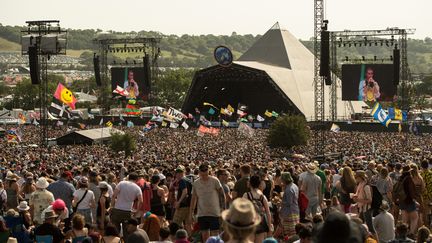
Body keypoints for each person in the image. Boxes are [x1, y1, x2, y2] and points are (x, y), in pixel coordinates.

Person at [190, 163, 225, 242]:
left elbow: (222, 194)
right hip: (202, 213)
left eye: (206, 175)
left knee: (215, 236)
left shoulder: (214, 180)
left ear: (208, 172)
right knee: (205, 236)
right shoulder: (196, 183)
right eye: (202, 175)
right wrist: (191, 213)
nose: (204, 177)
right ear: (199, 173)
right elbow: (193, 198)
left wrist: (223, 208)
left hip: (214, 213)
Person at [242, 175, 272, 243]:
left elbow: (241, 210)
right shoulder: (262, 196)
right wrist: (269, 226)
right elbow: (268, 212)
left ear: (250, 183)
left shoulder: (246, 195)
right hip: (261, 223)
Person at [352, 170, 375, 237]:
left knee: (370, 227)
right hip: (362, 208)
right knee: (360, 225)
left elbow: (369, 200)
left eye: (356, 177)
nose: (355, 178)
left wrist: (358, 199)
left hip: (367, 208)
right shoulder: (360, 184)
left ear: (360, 177)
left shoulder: (366, 186)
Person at [278, 172, 299, 239]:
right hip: (294, 210)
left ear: (284, 180)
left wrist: (280, 202)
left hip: (289, 213)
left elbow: (288, 203)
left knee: (290, 232)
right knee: (294, 230)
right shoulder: (294, 186)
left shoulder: (289, 189)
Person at [173, 165, 193, 233]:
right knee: (188, 224)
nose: (177, 174)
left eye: (179, 172)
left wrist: (178, 202)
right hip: (189, 205)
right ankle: (191, 238)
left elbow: (185, 192)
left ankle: (176, 239)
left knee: (175, 224)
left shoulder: (182, 180)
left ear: (183, 172)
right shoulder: (188, 180)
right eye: (177, 172)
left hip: (183, 206)